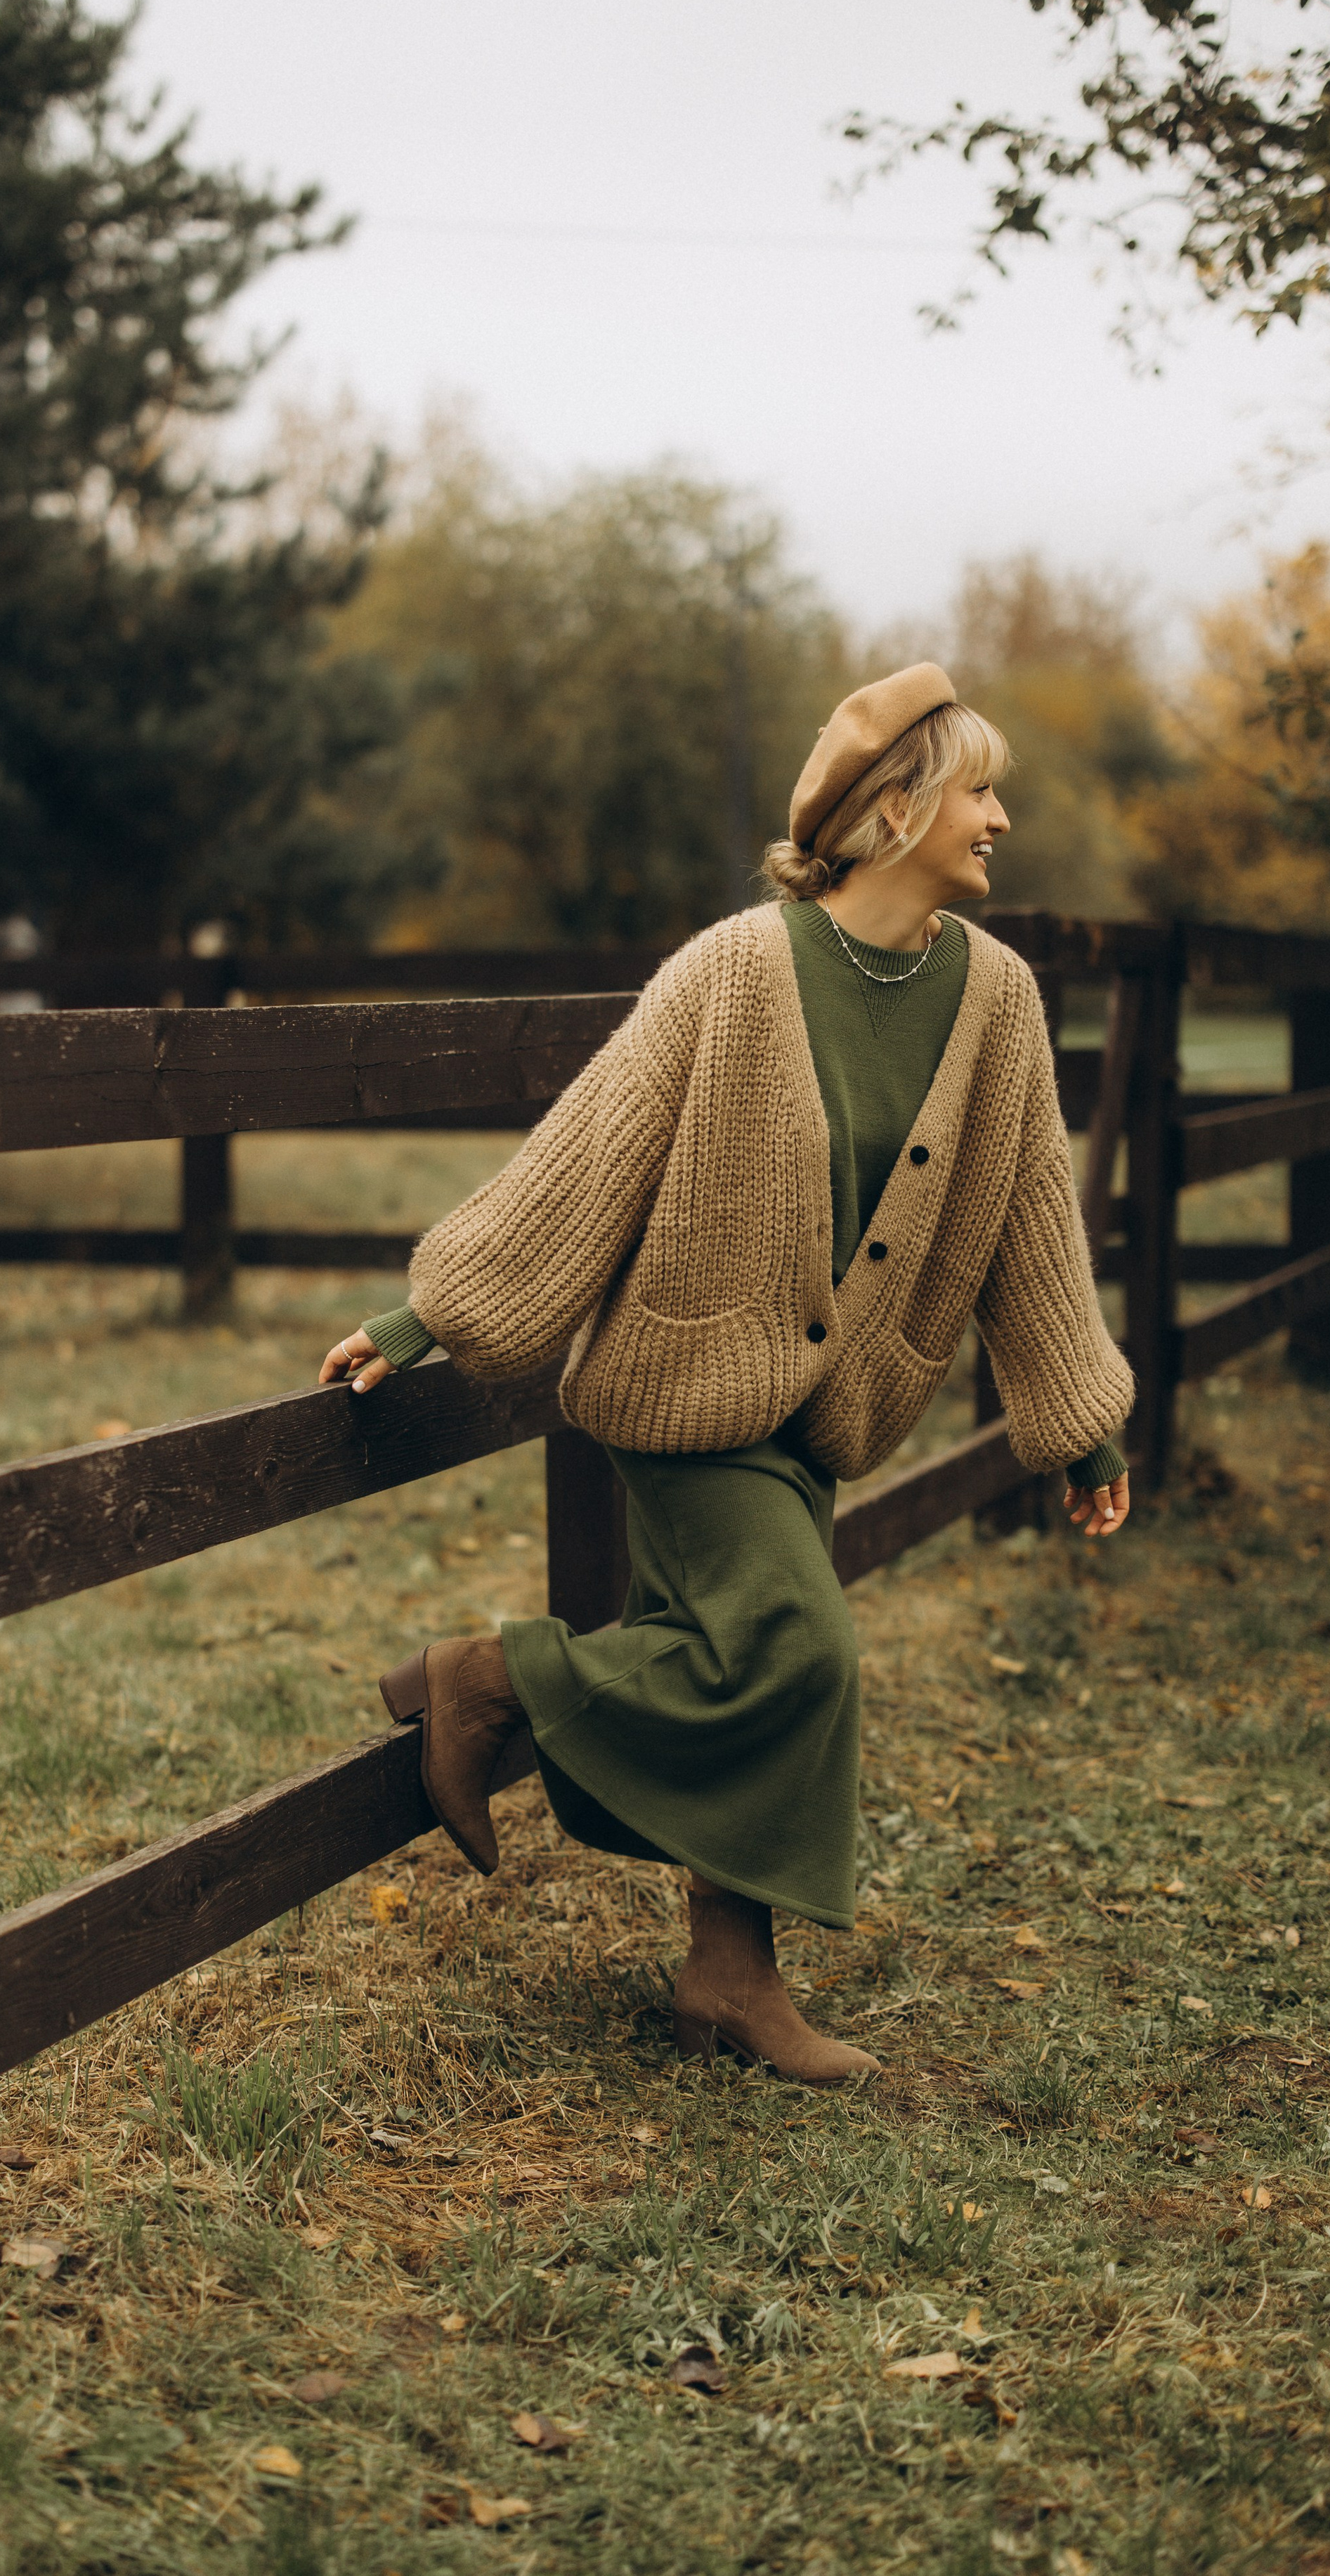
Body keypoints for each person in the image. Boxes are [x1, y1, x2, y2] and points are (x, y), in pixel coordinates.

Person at [317, 663, 1133, 2084]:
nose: (1000, 818)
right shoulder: (732, 971)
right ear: (897, 807)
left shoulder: (995, 1000)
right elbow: (589, 1152)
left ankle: (725, 1975)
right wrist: (422, 1318)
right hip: (686, 1387)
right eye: (980, 789)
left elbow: (1028, 1220)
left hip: (830, 1409)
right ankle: (490, 1677)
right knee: (795, 1650)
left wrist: (1080, 1426)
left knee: (755, 1665)